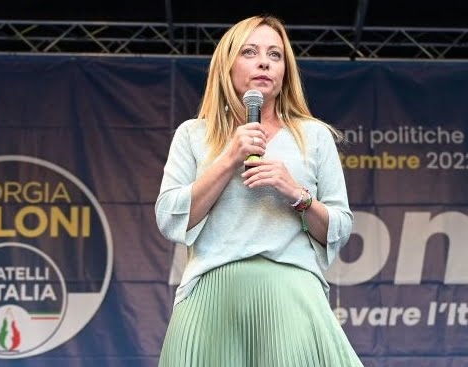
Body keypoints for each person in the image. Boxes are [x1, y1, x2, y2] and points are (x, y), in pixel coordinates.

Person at [154, 14, 364, 366]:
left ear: (285, 72)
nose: (265, 61)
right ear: (227, 65)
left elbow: (339, 228)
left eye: (275, 55)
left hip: (291, 292)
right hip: (211, 294)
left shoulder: (313, 135)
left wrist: (297, 193)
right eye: (250, 52)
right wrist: (228, 159)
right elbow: (170, 217)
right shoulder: (193, 134)